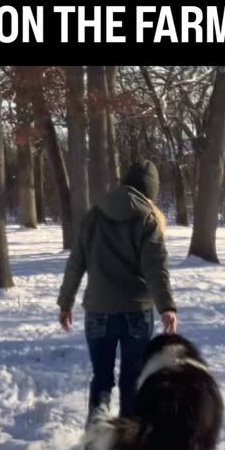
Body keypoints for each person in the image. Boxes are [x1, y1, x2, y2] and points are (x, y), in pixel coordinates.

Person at [57, 159, 177, 419]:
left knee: (101, 378)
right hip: (137, 313)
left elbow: (76, 263)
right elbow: (156, 267)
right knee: (132, 379)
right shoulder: (148, 219)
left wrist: (65, 302)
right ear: (151, 190)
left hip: (98, 312)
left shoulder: (94, 215)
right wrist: (166, 307)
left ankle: (97, 428)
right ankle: (129, 439)